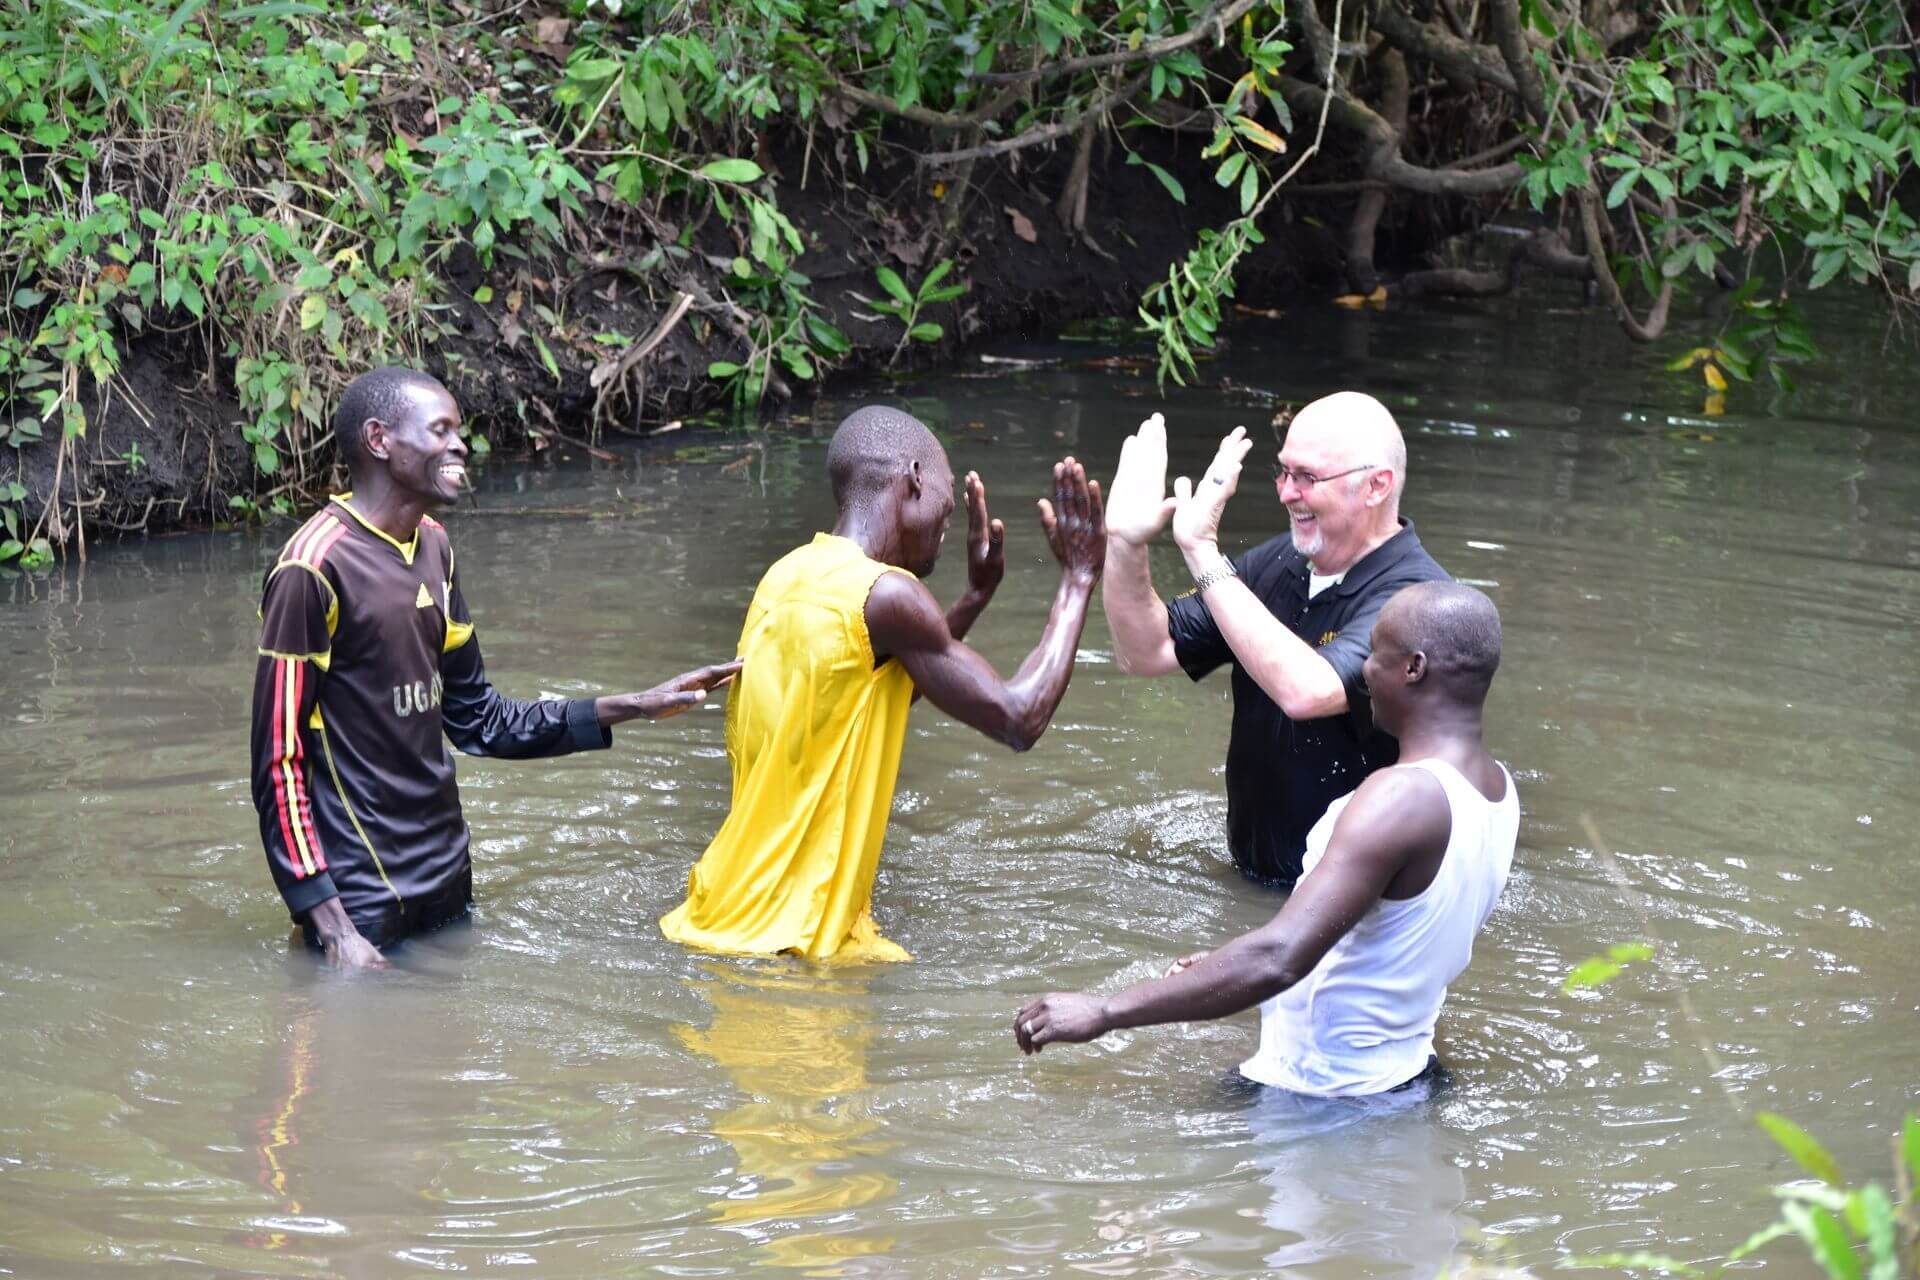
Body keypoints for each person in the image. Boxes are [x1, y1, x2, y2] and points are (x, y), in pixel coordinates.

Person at [249, 367, 740, 970]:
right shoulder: (311, 568)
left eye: (460, 431)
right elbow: (277, 759)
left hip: (447, 874)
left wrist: (634, 706)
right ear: (380, 440)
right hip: (360, 895)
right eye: (441, 430)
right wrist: (331, 924)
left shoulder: (435, 546)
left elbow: (479, 718)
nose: (461, 445)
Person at [1013, 581, 1517, 1098]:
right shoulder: (1496, 788)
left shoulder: (1401, 797)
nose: (1364, 669)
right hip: (1404, 1076)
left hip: (1322, 1097)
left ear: (1414, 668)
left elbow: (1281, 957)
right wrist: (1225, 962)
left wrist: (1103, 1010)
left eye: (1375, 653)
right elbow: (1387, 944)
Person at [660, 405, 1105, 962]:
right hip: (790, 947)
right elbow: (1020, 717)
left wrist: (973, 599)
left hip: (717, 912)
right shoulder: (888, 594)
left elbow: (861, 699)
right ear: (915, 478)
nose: (949, 517)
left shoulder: (788, 575)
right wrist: (1079, 580)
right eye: (947, 493)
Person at [1101, 394, 1451, 887]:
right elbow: (1146, 651)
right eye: (1283, 472)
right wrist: (1124, 543)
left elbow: (1308, 691)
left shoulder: (1420, 599)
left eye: (1307, 477)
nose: (1286, 493)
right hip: (1253, 880)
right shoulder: (1278, 563)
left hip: (1359, 907)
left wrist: (1202, 551)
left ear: (1376, 486)